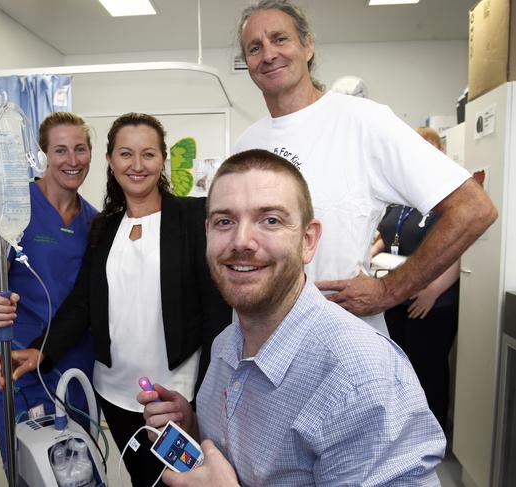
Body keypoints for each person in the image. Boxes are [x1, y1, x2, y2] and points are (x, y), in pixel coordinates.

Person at [139, 149, 446, 487]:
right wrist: (193, 428)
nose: (241, 241)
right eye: (224, 221)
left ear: (308, 241)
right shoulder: (227, 342)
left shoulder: (362, 381)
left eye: (270, 220)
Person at [0, 113, 232, 486]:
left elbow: (217, 316)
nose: (137, 166)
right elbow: (83, 303)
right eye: (125, 154)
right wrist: (42, 350)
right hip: (114, 394)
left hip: (175, 397)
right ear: (110, 160)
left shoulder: (192, 218)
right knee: (142, 480)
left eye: (148, 154)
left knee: (181, 483)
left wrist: (201, 401)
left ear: (162, 159)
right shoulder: (103, 227)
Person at [234, 0, 497, 334]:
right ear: (247, 62)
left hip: (339, 342)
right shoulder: (247, 142)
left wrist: (389, 290)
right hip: (259, 339)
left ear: (308, 45)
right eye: (255, 47)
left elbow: (473, 208)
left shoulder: (363, 121)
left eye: (280, 39)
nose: (268, 54)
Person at [0, 112, 97, 464]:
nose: (72, 160)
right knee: (32, 471)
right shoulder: (14, 209)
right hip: (20, 363)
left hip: (77, 365)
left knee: (80, 472)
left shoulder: (94, 222)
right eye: (61, 150)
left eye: (80, 149)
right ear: (44, 155)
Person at [371, 127, 460, 430]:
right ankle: (405, 430)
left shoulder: (447, 196)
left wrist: (432, 292)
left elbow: (457, 250)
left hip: (432, 300)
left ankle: (431, 431)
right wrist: (366, 253)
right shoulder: (402, 196)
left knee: (428, 366)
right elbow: (388, 235)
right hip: (398, 294)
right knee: (400, 365)